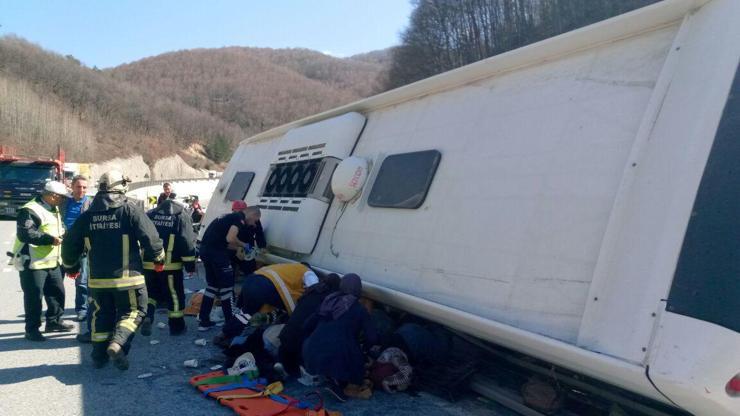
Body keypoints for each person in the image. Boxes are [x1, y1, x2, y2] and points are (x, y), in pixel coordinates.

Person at [62, 170, 164, 370]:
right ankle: (118, 344)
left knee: (101, 315)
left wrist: (71, 266)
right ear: (121, 187)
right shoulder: (130, 210)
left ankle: (98, 356)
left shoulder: (87, 215)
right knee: (135, 311)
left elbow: (69, 244)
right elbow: (151, 238)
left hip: (98, 282)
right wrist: (158, 258)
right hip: (129, 279)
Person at [11, 181, 74, 342]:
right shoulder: (30, 210)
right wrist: (50, 240)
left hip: (52, 261)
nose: (63, 200)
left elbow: (58, 228)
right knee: (34, 297)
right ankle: (31, 329)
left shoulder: (53, 208)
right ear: (53, 196)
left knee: (56, 293)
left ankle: (54, 322)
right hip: (32, 262)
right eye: (62, 197)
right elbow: (26, 234)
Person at [302, 273, 378, 401]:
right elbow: (372, 337)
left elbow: (307, 325)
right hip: (335, 354)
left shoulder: (328, 302)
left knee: (338, 345)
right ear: (358, 290)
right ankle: (346, 387)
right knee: (354, 354)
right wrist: (367, 351)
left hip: (310, 352)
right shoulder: (358, 309)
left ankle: (333, 377)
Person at [197, 205, 261, 332]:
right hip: (217, 255)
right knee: (227, 287)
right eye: (255, 220)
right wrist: (244, 245)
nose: (254, 224)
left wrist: (238, 248)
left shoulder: (226, 217)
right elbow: (230, 238)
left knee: (212, 287)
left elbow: (224, 241)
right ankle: (231, 322)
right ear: (252, 215)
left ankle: (204, 321)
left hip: (206, 251)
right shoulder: (239, 219)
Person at [141, 197, 196, 336]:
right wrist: (190, 265)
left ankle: (148, 316)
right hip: (170, 265)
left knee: (151, 293)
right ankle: (177, 327)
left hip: (148, 263)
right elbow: (187, 241)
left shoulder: (151, 215)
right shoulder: (181, 217)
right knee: (174, 296)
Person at [221, 262, 314, 340]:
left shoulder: (287, 267)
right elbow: (314, 291)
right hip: (267, 285)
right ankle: (287, 334)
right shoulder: (308, 272)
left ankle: (226, 335)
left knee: (245, 313)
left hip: (251, 280)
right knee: (293, 311)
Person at [276, 273, 341, 376]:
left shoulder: (311, 291)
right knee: (297, 365)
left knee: (286, 352)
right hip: (299, 339)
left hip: (286, 332)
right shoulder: (329, 299)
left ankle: (282, 365)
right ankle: (293, 371)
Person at [61, 175, 91, 324]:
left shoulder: (90, 203)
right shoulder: (63, 202)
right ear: (72, 187)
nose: (81, 190)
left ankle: (82, 309)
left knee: (82, 281)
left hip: (81, 247)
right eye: (78, 187)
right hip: (61, 245)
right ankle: (57, 313)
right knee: (57, 282)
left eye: (84, 187)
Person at [230, 200, 266, 278]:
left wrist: (262, 246)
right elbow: (229, 238)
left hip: (248, 245)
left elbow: (259, 233)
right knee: (229, 269)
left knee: (250, 267)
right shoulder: (232, 219)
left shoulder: (255, 219)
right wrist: (237, 248)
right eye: (236, 211)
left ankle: (249, 281)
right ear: (233, 210)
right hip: (234, 246)